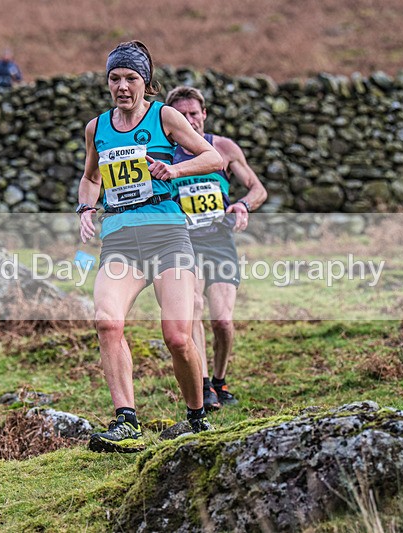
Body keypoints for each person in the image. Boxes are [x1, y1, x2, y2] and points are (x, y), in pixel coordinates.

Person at [77, 41, 223, 453]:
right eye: (115, 79)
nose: (122, 86)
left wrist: (172, 168)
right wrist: (86, 206)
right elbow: (90, 177)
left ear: (145, 82)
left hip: (166, 234)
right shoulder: (97, 127)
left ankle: (196, 418)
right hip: (120, 238)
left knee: (177, 336)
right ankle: (126, 422)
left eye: (131, 79)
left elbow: (212, 158)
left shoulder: (165, 117)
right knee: (107, 322)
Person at [165, 86, 267, 412]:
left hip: (220, 239)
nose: (190, 120)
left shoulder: (222, 147)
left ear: (204, 114)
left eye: (194, 113)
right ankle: (205, 386)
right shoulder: (164, 154)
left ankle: (220, 380)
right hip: (184, 242)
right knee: (193, 305)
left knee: (222, 321)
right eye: (183, 115)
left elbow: (257, 188)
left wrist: (242, 206)